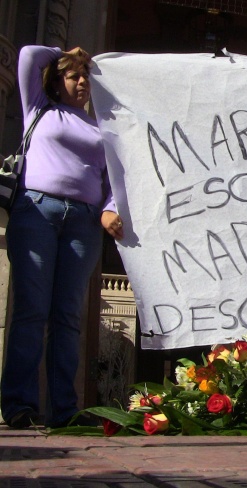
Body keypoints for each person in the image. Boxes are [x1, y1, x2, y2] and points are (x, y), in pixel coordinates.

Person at [0, 45, 124, 429]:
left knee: (68, 316)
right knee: (32, 309)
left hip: (83, 223)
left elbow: (116, 179)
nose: (82, 82)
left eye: (86, 76)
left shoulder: (102, 127)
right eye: (73, 76)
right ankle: (19, 406)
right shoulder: (39, 107)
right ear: (56, 82)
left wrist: (109, 208)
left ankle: (64, 410)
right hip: (37, 212)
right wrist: (62, 52)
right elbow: (27, 55)